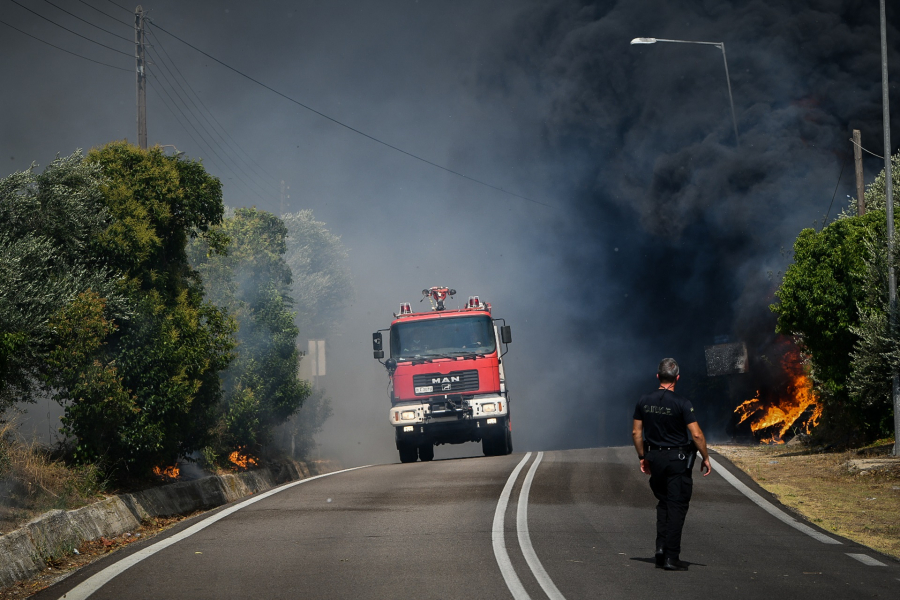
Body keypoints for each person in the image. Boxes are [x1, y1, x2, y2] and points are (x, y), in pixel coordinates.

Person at [632, 358, 711, 571]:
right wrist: (705, 457)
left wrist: (642, 456)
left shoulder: (643, 400)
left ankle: (660, 548)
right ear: (677, 378)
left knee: (664, 502)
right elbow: (696, 434)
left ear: (658, 376)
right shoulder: (683, 403)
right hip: (677, 461)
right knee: (677, 506)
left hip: (655, 458)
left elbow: (636, 432)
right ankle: (671, 557)